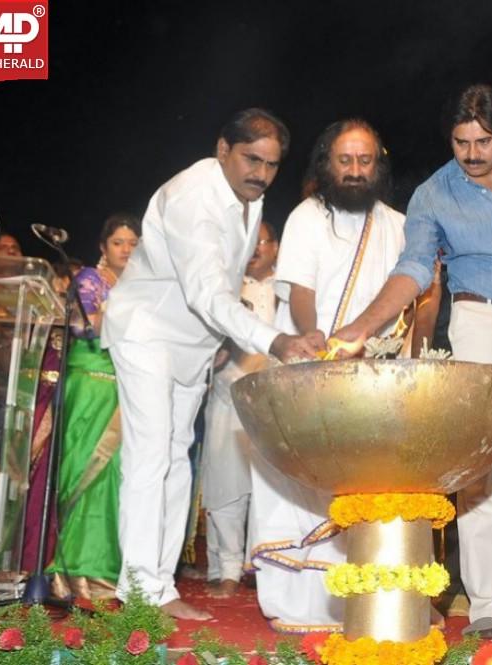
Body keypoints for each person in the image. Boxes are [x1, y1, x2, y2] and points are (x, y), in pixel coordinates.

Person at [334, 84, 492, 639]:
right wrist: (362, 326)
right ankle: (489, 603)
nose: (471, 154)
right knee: (481, 468)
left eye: (483, 142)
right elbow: (414, 268)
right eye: (460, 141)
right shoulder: (432, 194)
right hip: (480, 320)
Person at [101, 108, 318, 620]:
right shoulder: (191, 198)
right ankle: (137, 591)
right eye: (251, 159)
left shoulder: (249, 198)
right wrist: (275, 340)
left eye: (271, 164)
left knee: (178, 460)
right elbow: (205, 291)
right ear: (223, 149)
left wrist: (222, 337)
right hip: (147, 332)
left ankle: (158, 586)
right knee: (151, 458)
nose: (260, 174)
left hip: (193, 344)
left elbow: (217, 291)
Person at [247, 118, 419, 632]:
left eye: (364, 160)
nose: (354, 170)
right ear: (327, 163)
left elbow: (406, 302)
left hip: (369, 375)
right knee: (296, 486)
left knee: (359, 483)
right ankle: (296, 602)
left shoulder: (396, 224)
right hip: (307, 363)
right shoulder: (305, 217)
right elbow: (299, 292)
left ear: (378, 164)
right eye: (345, 160)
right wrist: (313, 338)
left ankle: (360, 598)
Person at [49, 213, 142, 600]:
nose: (126, 249)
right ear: (103, 247)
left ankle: (104, 571)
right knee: (79, 470)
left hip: (125, 388)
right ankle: (67, 573)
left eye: (133, 243)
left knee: (113, 480)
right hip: (88, 382)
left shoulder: (144, 286)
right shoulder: (89, 279)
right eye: (118, 242)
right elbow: (81, 327)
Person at [200, 220, 279, 599]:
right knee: (226, 487)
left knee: (271, 491)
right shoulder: (226, 287)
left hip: (274, 405)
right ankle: (227, 569)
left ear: (276, 247)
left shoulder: (289, 290)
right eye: (249, 243)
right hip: (227, 397)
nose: (254, 251)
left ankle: (263, 569)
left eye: (261, 242)